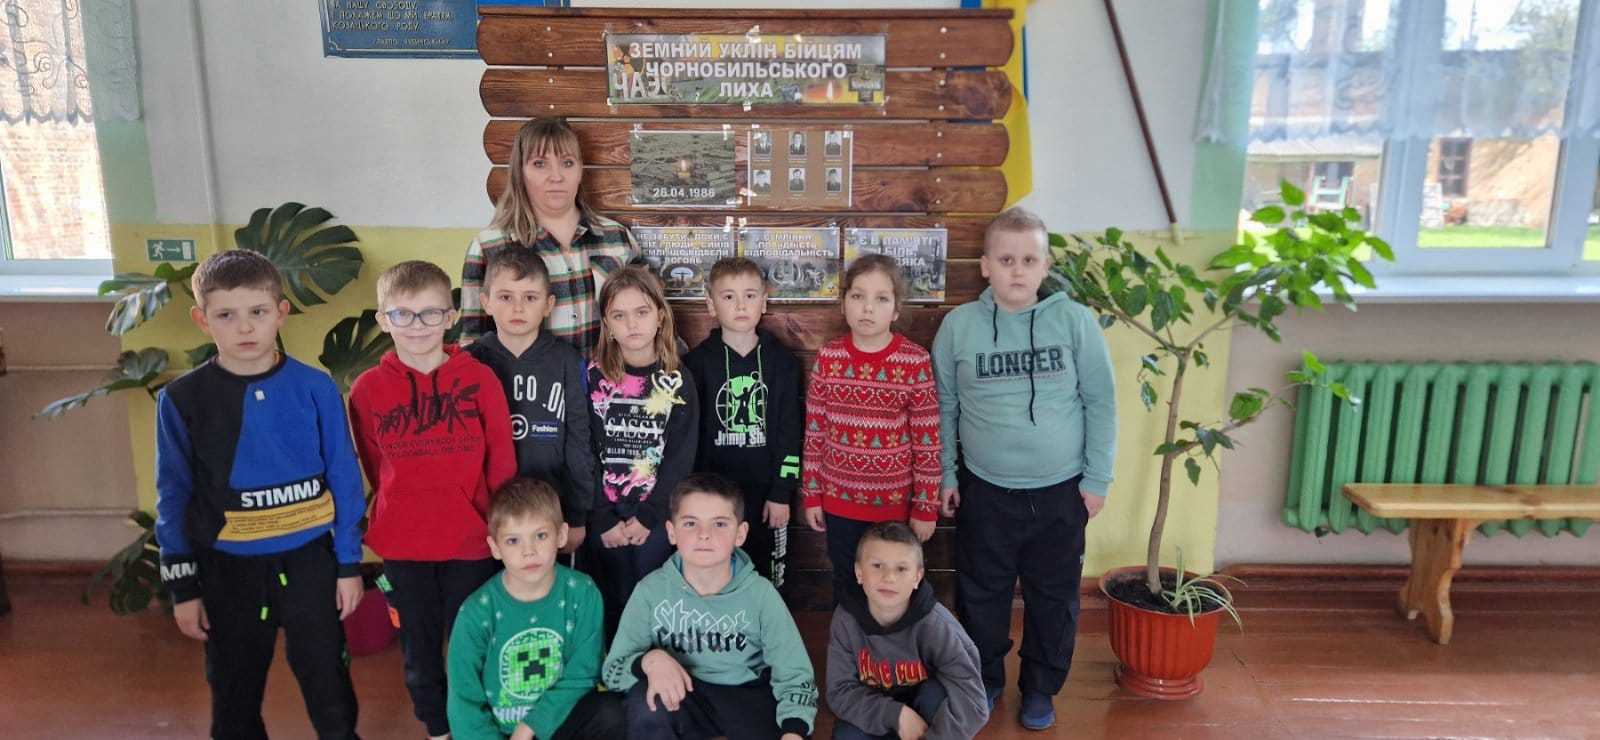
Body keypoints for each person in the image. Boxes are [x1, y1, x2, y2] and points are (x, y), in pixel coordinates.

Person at [154, 250, 365, 740]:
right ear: (202, 320)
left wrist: (349, 564)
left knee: (329, 687)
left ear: (281, 312)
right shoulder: (182, 399)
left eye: (258, 311)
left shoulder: (316, 388)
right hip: (228, 570)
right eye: (226, 315)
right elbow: (174, 493)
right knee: (234, 692)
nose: (245, 327)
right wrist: (183, 587)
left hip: (310, 562)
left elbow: (344, 474)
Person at [931, 206, 1116, 731]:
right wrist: (947, 474)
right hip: (984, 490)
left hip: (1061, 492)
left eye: (1029, 260)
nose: (1017, 270)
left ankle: (1039, 687)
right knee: (981, 593)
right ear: (985, 265)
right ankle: (986, 678)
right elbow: (944, 406)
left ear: (1045, 266)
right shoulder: (959, 327)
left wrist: (1097, 478)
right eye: (1006, 259)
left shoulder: (1075, 322)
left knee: (1054, 597)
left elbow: (1101, 402)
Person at [349, 260, 518, 740]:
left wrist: (495, 527)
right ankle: (439, 729)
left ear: (451, 317)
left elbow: (501, 461)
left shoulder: (480, 379)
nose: (417, 325)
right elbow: (374, 463)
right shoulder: (367, 389)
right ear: (383, 320)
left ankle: (477, 726)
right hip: (404, 545)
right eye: (402, 314)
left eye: (429, 313)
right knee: (419, 650)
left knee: (475, 644)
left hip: (472, 541)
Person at [602, 473, 818, 740]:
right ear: (671, 532)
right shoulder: (650, 591)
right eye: (690, 523)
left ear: (740, 534)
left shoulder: (761, 594)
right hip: (683, 696)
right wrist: (649, 661)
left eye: (719, 524)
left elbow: (795, 673)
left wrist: (794, 730)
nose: (704, 535)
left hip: (747, 696)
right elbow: (613, 672)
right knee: (646, 702)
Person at [801, 255, 941, 605]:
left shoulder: (915, 360)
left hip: (894, 507)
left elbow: (927, 441)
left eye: (881, 299)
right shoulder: (829, 358)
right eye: (858, 296)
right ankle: (849, 642)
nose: (867, 308)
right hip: (840, 503)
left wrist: (925, 506)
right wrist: (812, 493)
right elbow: (815, 432)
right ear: (844, 303)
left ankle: (893, 644)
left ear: (896, 310)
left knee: (893, 590)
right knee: (848, 584)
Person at [446, 478, 622, 740]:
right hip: (500, 733)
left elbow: (583, 673)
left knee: (611, 713)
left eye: (540, 536)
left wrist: (530, 726)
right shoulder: (475, 612)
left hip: (559, 722)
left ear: (561, 535)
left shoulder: (583, 593)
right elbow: (464, 701)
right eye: (513, 541)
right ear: (495, 547)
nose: (529, 552)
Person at [585, 266, 699, 639]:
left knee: (653, 602)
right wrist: (602, 517)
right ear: (607, 324)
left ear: (660, 316)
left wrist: (650, 516)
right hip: (605, 515)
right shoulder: (593, 377)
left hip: (655, 515)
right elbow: (585, 450)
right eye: (619, 315)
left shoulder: (677, 380)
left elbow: (680, 458)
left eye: (641, 312)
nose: (632, 324)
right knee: (612, 602)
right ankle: (616, 667)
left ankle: (653, 665)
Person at [461, 117, 639, 354]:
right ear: (520, 173)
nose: (556, 176)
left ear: (580, 170)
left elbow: (649, 323)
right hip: (526, 377)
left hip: (606, 377)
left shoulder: (617, 238)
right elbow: (473, 347)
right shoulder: (489, 247)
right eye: (540, 164)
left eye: (567, 163)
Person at [682, 257, 803, 587]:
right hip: (712, 499)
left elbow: (790, 434)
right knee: (713, 573)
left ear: (764, 301)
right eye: (728, 296)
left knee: (766, 578)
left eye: (750, 295)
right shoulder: (694, 365)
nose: (740, 305)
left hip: (767, 498)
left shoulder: (782, 364)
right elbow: (688, 440)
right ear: (711, 304)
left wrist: (782, 492)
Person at [467, 248, 595, 557]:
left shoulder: (566, 360)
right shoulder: (470, 362)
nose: (518, 307)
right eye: (505, 297)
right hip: (489, 512)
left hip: (552, 509)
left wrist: (577, 514)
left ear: (548, 305)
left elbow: (579, 440)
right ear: (485, 302)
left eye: (530, 297)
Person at [827, 522, 988, 740]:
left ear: (917, 577)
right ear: (859, 572)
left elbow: (973, 702)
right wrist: (896, 715)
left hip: (927, 716)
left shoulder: (938, 625)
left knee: (936, 695)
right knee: (846, 735)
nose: (889, 577)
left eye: (901, 569)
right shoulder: (846, 619)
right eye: (877, 565)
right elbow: (839, 691)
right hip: (875, 711)